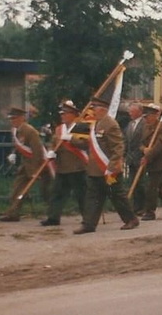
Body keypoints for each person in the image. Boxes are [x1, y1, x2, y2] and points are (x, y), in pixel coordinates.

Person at [71, 96, 139, 234]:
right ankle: (88, 224)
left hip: (109, 169)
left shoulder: (110, 124)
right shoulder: (95, 124)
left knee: (117, 195)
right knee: (92, 197)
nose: (93, 111)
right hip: (95, 169)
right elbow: (90, 144)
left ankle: (131, 219)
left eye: (94, 108)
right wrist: (73, 140)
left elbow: (118, 147)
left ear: (102, 109)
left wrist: (112, 166)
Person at [0, 106, 51, 222]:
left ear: (22, 118)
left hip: (39, 165)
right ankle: (13, 213)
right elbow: (21, 145)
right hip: (26, 164)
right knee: (17, 188)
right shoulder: (15, 130)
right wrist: (14, 154)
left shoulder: (29, 130)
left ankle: (53, 213)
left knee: (46, 191)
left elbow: (37, 150)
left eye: (15, 118)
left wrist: (36, 169)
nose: (12, 121)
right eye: (11, 119)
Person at [40, 100, 87, 226]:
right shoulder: (59, 129)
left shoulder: (81, 127)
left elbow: (86, 144)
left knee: (81, 195)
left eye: (65, 114)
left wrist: (72, 139)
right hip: (62, 167)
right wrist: (51, 151)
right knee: (57, 193)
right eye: (61, 114)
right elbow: (53, 143)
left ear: (73, 114)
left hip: (77, 166)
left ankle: (88, 218)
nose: (62, 116)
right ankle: (53, 217)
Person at [123, 101, 147, 215]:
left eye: (132, 111)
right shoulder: (130, 124)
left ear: (139, 112)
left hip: (141, 158)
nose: (130, 113)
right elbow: (126, 141)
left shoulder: (145, 124)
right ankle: (135, 206)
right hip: (131, 158)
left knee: (141, 183)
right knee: (133, 182)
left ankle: (142, 206)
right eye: (130, 111)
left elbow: (145, 141)